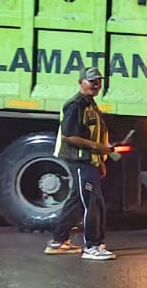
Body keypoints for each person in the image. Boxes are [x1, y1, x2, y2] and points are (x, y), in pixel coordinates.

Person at [46, 67, 119, 260]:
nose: (96, 85)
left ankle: (58, 241)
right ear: (81, 82)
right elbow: (69, 136)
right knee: (91, 203)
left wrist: (100, 160)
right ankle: (92, 246)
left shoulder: (90, 104)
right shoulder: (75, 105)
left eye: (98, 81)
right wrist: (98, 148)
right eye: (92, 81)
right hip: (80, 161)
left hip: (90, 160)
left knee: (77, 201)